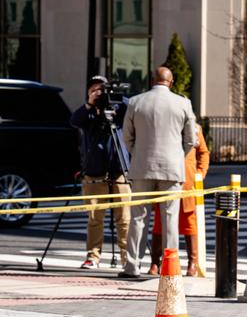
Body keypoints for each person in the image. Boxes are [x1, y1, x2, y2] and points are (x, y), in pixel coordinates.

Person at [120, 66, 196, 278]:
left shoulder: (136, 102)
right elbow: (191, 139)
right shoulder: (183, 103)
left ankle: (132, 265)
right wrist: (178, 155)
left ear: (152, 80)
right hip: (172, 168)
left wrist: (138, 153)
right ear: (171, 82)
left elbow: (126, 136)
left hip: (142, 167)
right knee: (170, 218)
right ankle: (170, 267)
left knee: (138, 218)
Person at [69, 76, 131, 269]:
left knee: (125, 218)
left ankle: (126, 257)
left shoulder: (120, 110)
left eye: (102, 89)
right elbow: (74, 121)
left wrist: (118, 97)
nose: (99, 93)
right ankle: (93, 256)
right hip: (94, 172)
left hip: (119, 170)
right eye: (94, 89)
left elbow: (134, 109)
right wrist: (90, 103)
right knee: (95, 217)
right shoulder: (88, 113)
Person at [148, 124, 209, 277]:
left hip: (187, 183)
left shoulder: (195, 128)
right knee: (159, 224)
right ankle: (156, 262)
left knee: (189, 223)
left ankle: (192, 263)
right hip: (165, 181)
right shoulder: (164, 125)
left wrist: (200, 173)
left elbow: (203, 152)